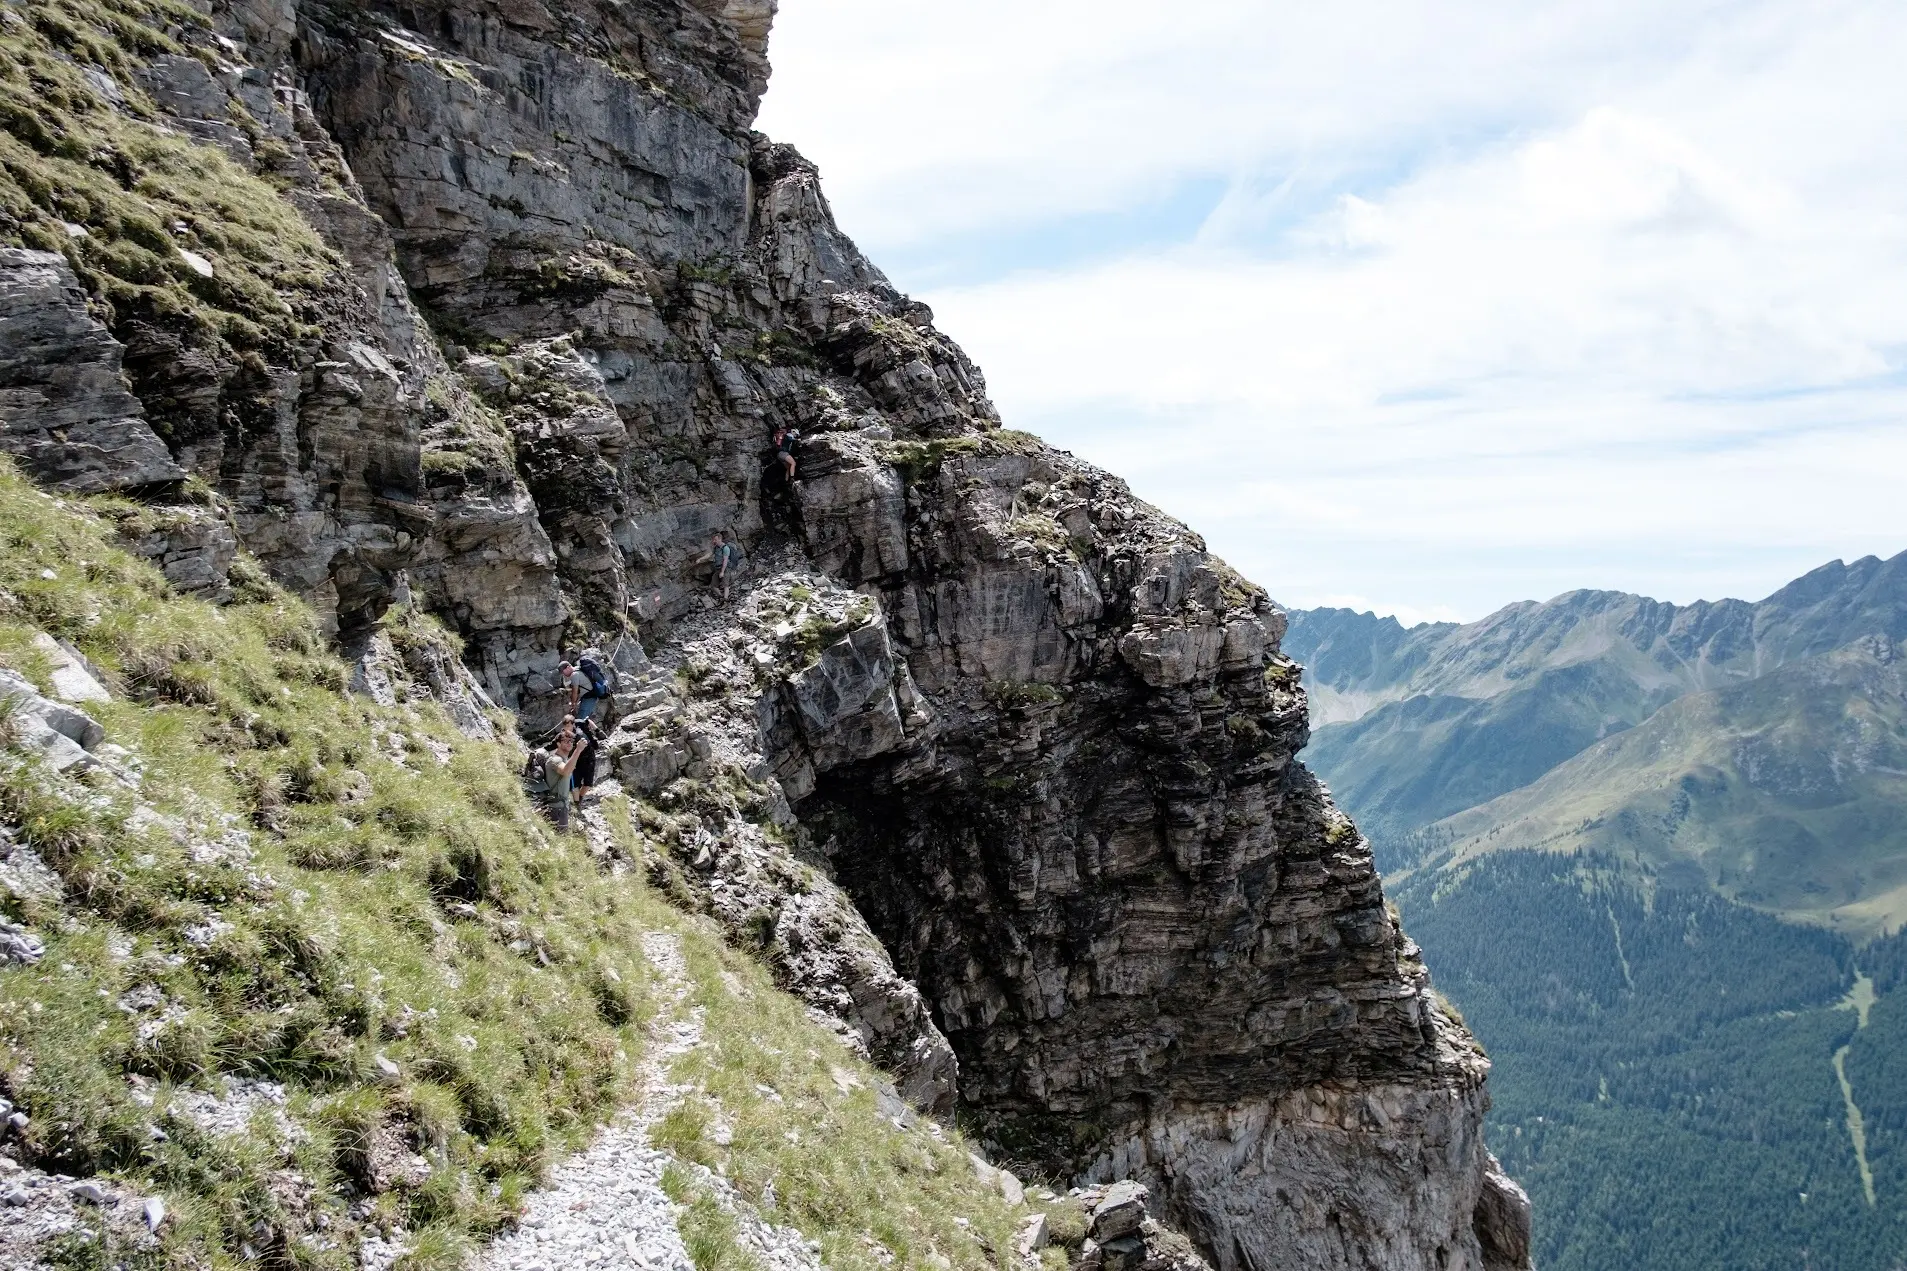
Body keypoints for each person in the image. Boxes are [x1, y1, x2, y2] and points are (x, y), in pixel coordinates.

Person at [528, 718, 584, 830]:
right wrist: (578, 750)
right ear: (558, 744)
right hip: (555, 808)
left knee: (562, 837)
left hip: (561, 807)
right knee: (560, 837)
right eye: (566, 741)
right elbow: (565, 771)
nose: (570, 743)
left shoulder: (564, 760)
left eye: (571, 741)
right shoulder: (554, 760)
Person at [558, 655, 609, 720]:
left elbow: (575, 692)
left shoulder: (574, 675)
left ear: (568, 667)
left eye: (563, 672)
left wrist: (573, 704)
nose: (563, 674)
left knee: (581, 719)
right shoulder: (578, 668)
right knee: (585, 719)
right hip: (589, 696)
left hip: (589, 697)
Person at [572, 716, 605, 807]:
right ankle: (577, 801)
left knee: (581, 783)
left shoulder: (579, 728)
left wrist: (595, 729)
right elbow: (600, 740)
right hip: (583, 759)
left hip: (583, 759)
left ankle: (577, 801)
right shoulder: (585, 732)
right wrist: (596, 729)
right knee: (583, 783)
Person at [707, 531, 740, 601]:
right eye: (713, 540)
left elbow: (725, 560)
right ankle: (721, 597)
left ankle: (725, 599)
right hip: (718, 568)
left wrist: (722, 572)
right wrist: (700, 559)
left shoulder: (726, 548)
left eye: (715, 539)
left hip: (726, 568)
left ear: (720, 539)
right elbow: (709, 554)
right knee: (713, 586)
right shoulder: (716, 548)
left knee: (725, 585)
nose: (714, 541)